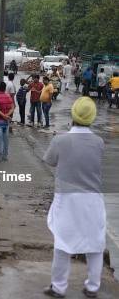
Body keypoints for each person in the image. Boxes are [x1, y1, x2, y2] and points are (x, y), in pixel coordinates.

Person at [42, 97, 105, 299]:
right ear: (92, 117)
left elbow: (49, 161)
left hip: (67, 200)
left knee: (62, 243)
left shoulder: (61, 140)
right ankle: (93, 287)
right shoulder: (99, 142)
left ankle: (59, 287)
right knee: (95, 244)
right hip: (93, 200)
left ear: (73, 115)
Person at [0, 81, 14, 161]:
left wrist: (4, 116)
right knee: (5, 140)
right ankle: (5, 156)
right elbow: (12, 107)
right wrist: (7, 115)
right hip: (6, 122)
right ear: (5, 88)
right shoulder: (9, 97)